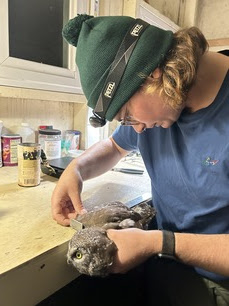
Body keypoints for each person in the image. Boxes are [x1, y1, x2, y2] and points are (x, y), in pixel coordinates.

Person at [51, 14, 229, 305]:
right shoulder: (163, 102)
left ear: (152, 74)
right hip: (168, 263)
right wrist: (77, 168)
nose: (134, 128)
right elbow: (113, 146)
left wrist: (157, 242)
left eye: (128, 116)